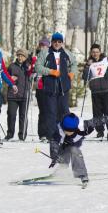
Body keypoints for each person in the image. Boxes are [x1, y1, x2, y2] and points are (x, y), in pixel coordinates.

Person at [49, 113, 108, 187]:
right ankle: (62, 167)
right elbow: (53, 142)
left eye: (71, 131)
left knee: (74, 151)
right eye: (66, 130)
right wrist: (54, 155)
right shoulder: (58, 129)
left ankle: (81, 174)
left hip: (76, 141)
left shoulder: (83, 124)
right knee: (62, 153)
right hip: (64, 142)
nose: (68, 133)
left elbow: (98, 120)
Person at [35, 32, 77, 160]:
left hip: (63, 88)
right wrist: (50, 71)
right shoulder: (45, 52)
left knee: (64, 112)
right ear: (52, 42)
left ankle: (67, 136)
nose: (57, 44)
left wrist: (72, 74)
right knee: (51, 113)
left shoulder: (67, 53)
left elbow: (74, 65)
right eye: (55, 41)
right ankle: (53, 138)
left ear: (62, 43)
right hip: (50, 88)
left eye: (59, 42)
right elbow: (38, 67)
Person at [82, 44, 108, 138]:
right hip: (95, 91)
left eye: (97, 52)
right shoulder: (89, 62)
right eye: (93, 52)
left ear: (100, 52)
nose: (95, 54)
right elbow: (85, 77)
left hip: (106, 90)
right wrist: (87, 66)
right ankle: (100, 131)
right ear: (91, 53)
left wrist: (106, 79)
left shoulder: (106, 60)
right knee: (97, 113)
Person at [5, 49, 31, 141]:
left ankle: (22, 135)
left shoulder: (28, 67)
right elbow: (6, 77)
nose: (20, 57)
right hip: (13, 95)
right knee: (11, 115)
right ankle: (10, 134)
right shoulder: (12, 66)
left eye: (22, 56)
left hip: (24, 95)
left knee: (23, 115)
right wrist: (10, 79)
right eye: (19, 55)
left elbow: (33, 77)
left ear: (25, 57)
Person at [35, 37, 50, 141]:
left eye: (45, 45)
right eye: (41, 45)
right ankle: (42, 133)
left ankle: (50, 132)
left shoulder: (51, 57)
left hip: (50, 87)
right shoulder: (35, 58)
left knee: (50, 111)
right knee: (43, 111)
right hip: (40, 87)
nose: (43, 47)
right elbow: (31, 69)